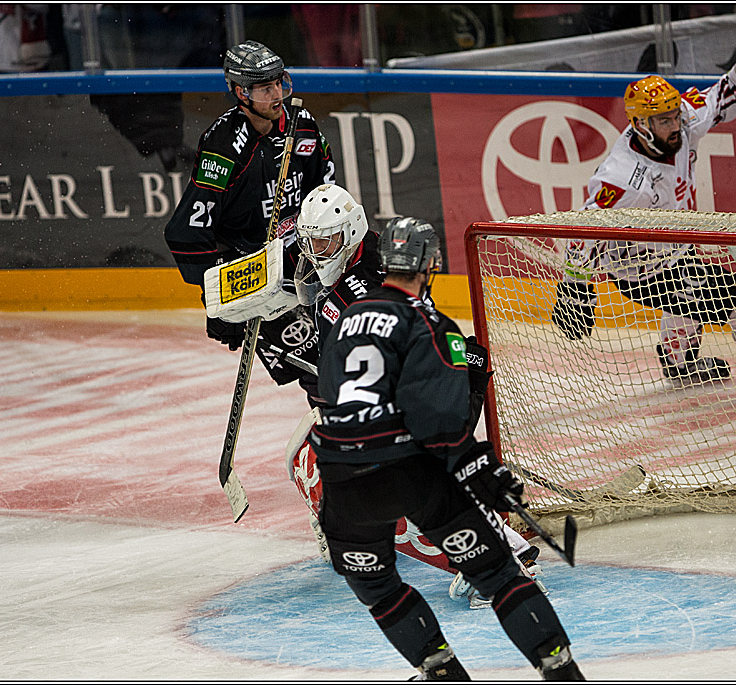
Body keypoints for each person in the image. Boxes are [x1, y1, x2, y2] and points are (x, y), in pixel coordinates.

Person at [310, 218, 585, 681]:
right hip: (409, 473)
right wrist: (481, 472)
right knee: (498, 574)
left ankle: (441, 671)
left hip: (343, 477)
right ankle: (561, 672)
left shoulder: (339, 320)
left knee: (378, 587)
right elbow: (441, 422)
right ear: (429, 264)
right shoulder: (432, 324)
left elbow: (329, 397)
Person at [287, 186, 546, 609]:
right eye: (311, 242)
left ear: (349, 233)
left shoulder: (352, 296)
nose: (316, 253)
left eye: (325, 242)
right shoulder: (372, 252)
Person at [551, 19, 736, 391]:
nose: (675, 124)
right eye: (664, 120)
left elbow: (723, 97)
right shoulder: (623, 179)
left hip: (675, 248)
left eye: (674, 115)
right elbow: (585, 229)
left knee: (691, 295)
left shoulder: (681, 122)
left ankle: (679, 364)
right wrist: (575, 289)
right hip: (640, 272)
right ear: (641, 125)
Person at [163, 39, 336, 403]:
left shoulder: (302, 126)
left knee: (351, 347)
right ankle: (337, 433)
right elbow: (186, 230)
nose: (277, 94)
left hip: (308, 259)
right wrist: (218, 298)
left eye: (279, 83)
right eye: (264, 88)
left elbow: (326, 194)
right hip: (254, 275)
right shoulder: (224, 145)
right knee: (321, 372)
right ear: (241, 93)